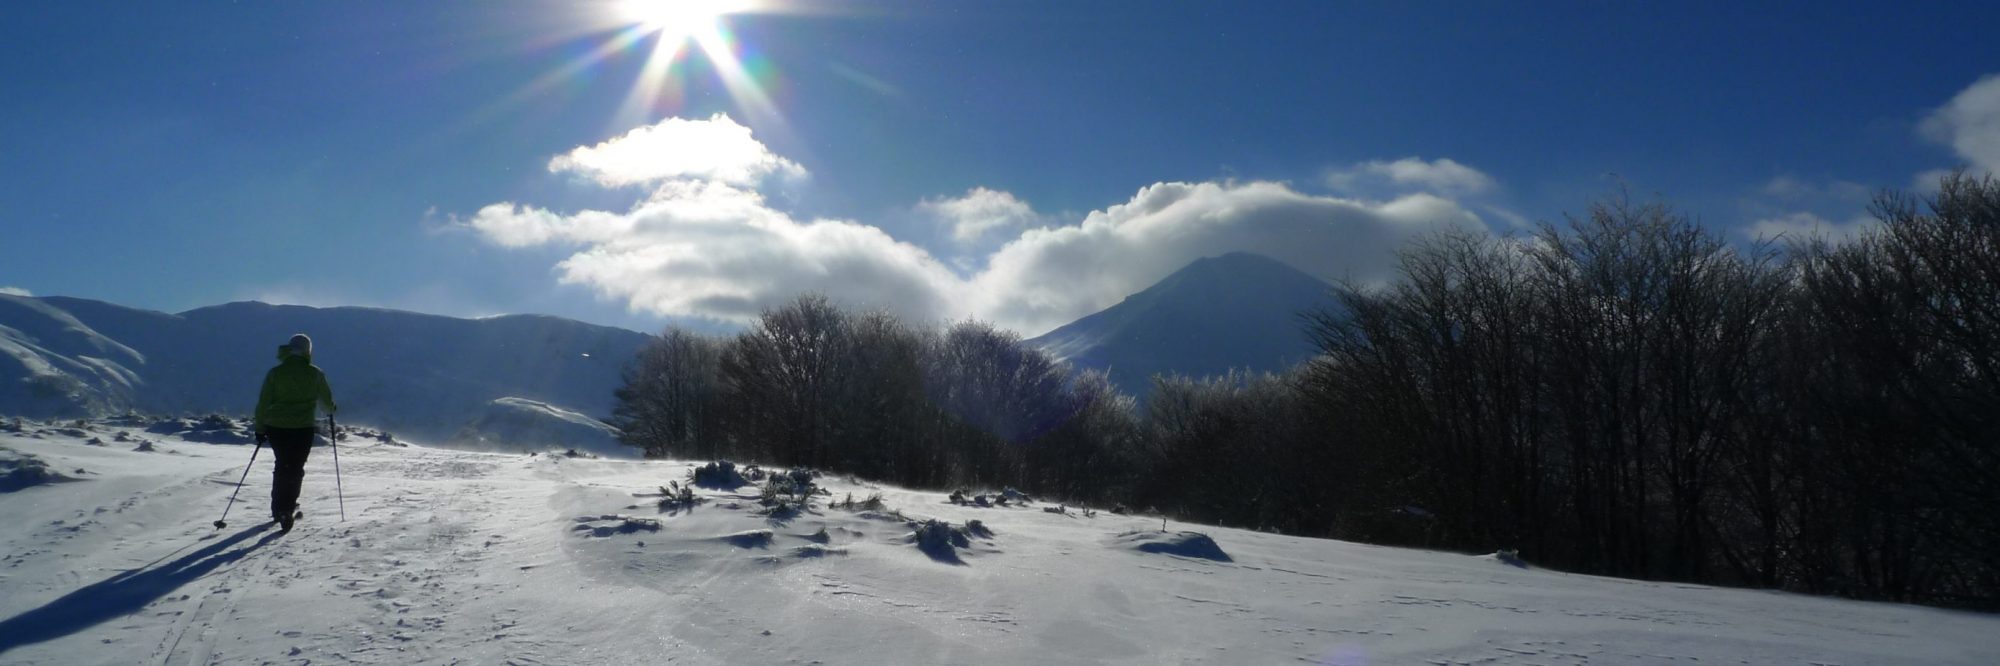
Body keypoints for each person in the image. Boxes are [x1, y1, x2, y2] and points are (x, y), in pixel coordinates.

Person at [253, 333, 337, 532]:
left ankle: (278, 507)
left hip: (276, 428)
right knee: (296, 468)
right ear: (308, 350)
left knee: (282, 465)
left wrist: (260, 428)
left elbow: (263, 403)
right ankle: (287, 507)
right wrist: (332, 409)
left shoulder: (275, 373)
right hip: (302, 428)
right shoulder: (315, 373)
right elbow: (326, 403)